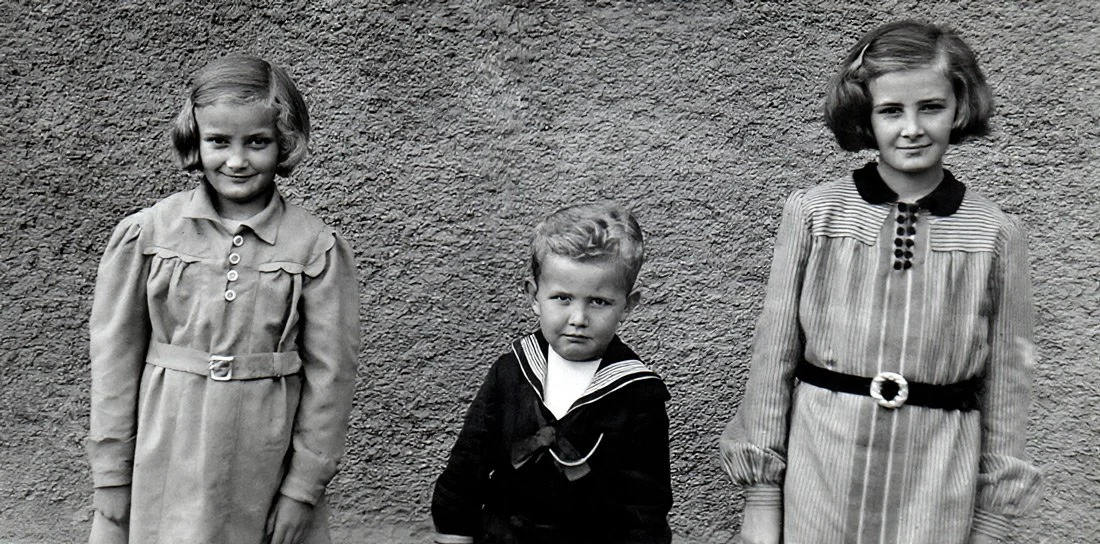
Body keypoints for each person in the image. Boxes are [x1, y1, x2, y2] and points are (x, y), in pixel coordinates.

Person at [719, 20, 1041, 544]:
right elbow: (773, 354)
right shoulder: (814, 213)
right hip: (823, 463)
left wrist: (994, 521)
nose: (911, 127)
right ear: (866, 117)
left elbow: (1008, 383)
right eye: (891, 110)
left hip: (936, 474)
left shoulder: (996, 233)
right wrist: (762, 496)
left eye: (930, 107)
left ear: (959, 107)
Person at [87, 55, 360, 544]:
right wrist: (111, 474)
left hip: (264, 459)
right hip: (164, 454)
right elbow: (114, 361)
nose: (236, 160)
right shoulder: (148, 234)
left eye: (256, 142)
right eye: (219, 141)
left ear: (284, 143)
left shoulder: (314, 246)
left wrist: (302, 489)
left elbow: (331, 377)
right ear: (196, 140)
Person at [431, 203, 673, 544]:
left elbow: (646, 501)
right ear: (534, 296)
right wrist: (454, 532)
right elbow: (466, 465)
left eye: (599, 302)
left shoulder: (637, 393)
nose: (578, 318)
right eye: (562, 298)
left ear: (628, 304)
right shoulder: (512, 371)